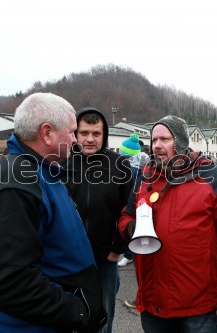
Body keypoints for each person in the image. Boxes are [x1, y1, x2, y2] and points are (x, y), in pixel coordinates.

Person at [0, 93, 106, 332]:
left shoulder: (42, 172)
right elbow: (9, 283)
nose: (76, 140)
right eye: (72, 131)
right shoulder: (14, 184)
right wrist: (78, 311)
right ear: (47, 133)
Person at [118, 115, 217, 332]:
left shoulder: (209, 175)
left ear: (180, 142)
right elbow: (125, 216)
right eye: (154, 140)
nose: (157, 146)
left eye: (165, 139)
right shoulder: (145, 176)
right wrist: (129, 227)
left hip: (196, 307)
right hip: (152, 303)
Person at [66, 107, 133, 333]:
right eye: (84, 133)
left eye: (96, 133)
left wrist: (118, 249)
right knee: (68, 318)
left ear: (104, 136)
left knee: (102, 318)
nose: (89, 139)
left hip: (105, 258)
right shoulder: (61, 164)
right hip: (67, 258)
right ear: (75, 134)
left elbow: (129, 210)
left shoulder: (120, 165)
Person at [117, 133, 142, 268]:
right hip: (128, 203)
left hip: (129, 202)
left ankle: (128, 254)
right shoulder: (127, 165)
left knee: (129, 228)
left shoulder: (131, 168)